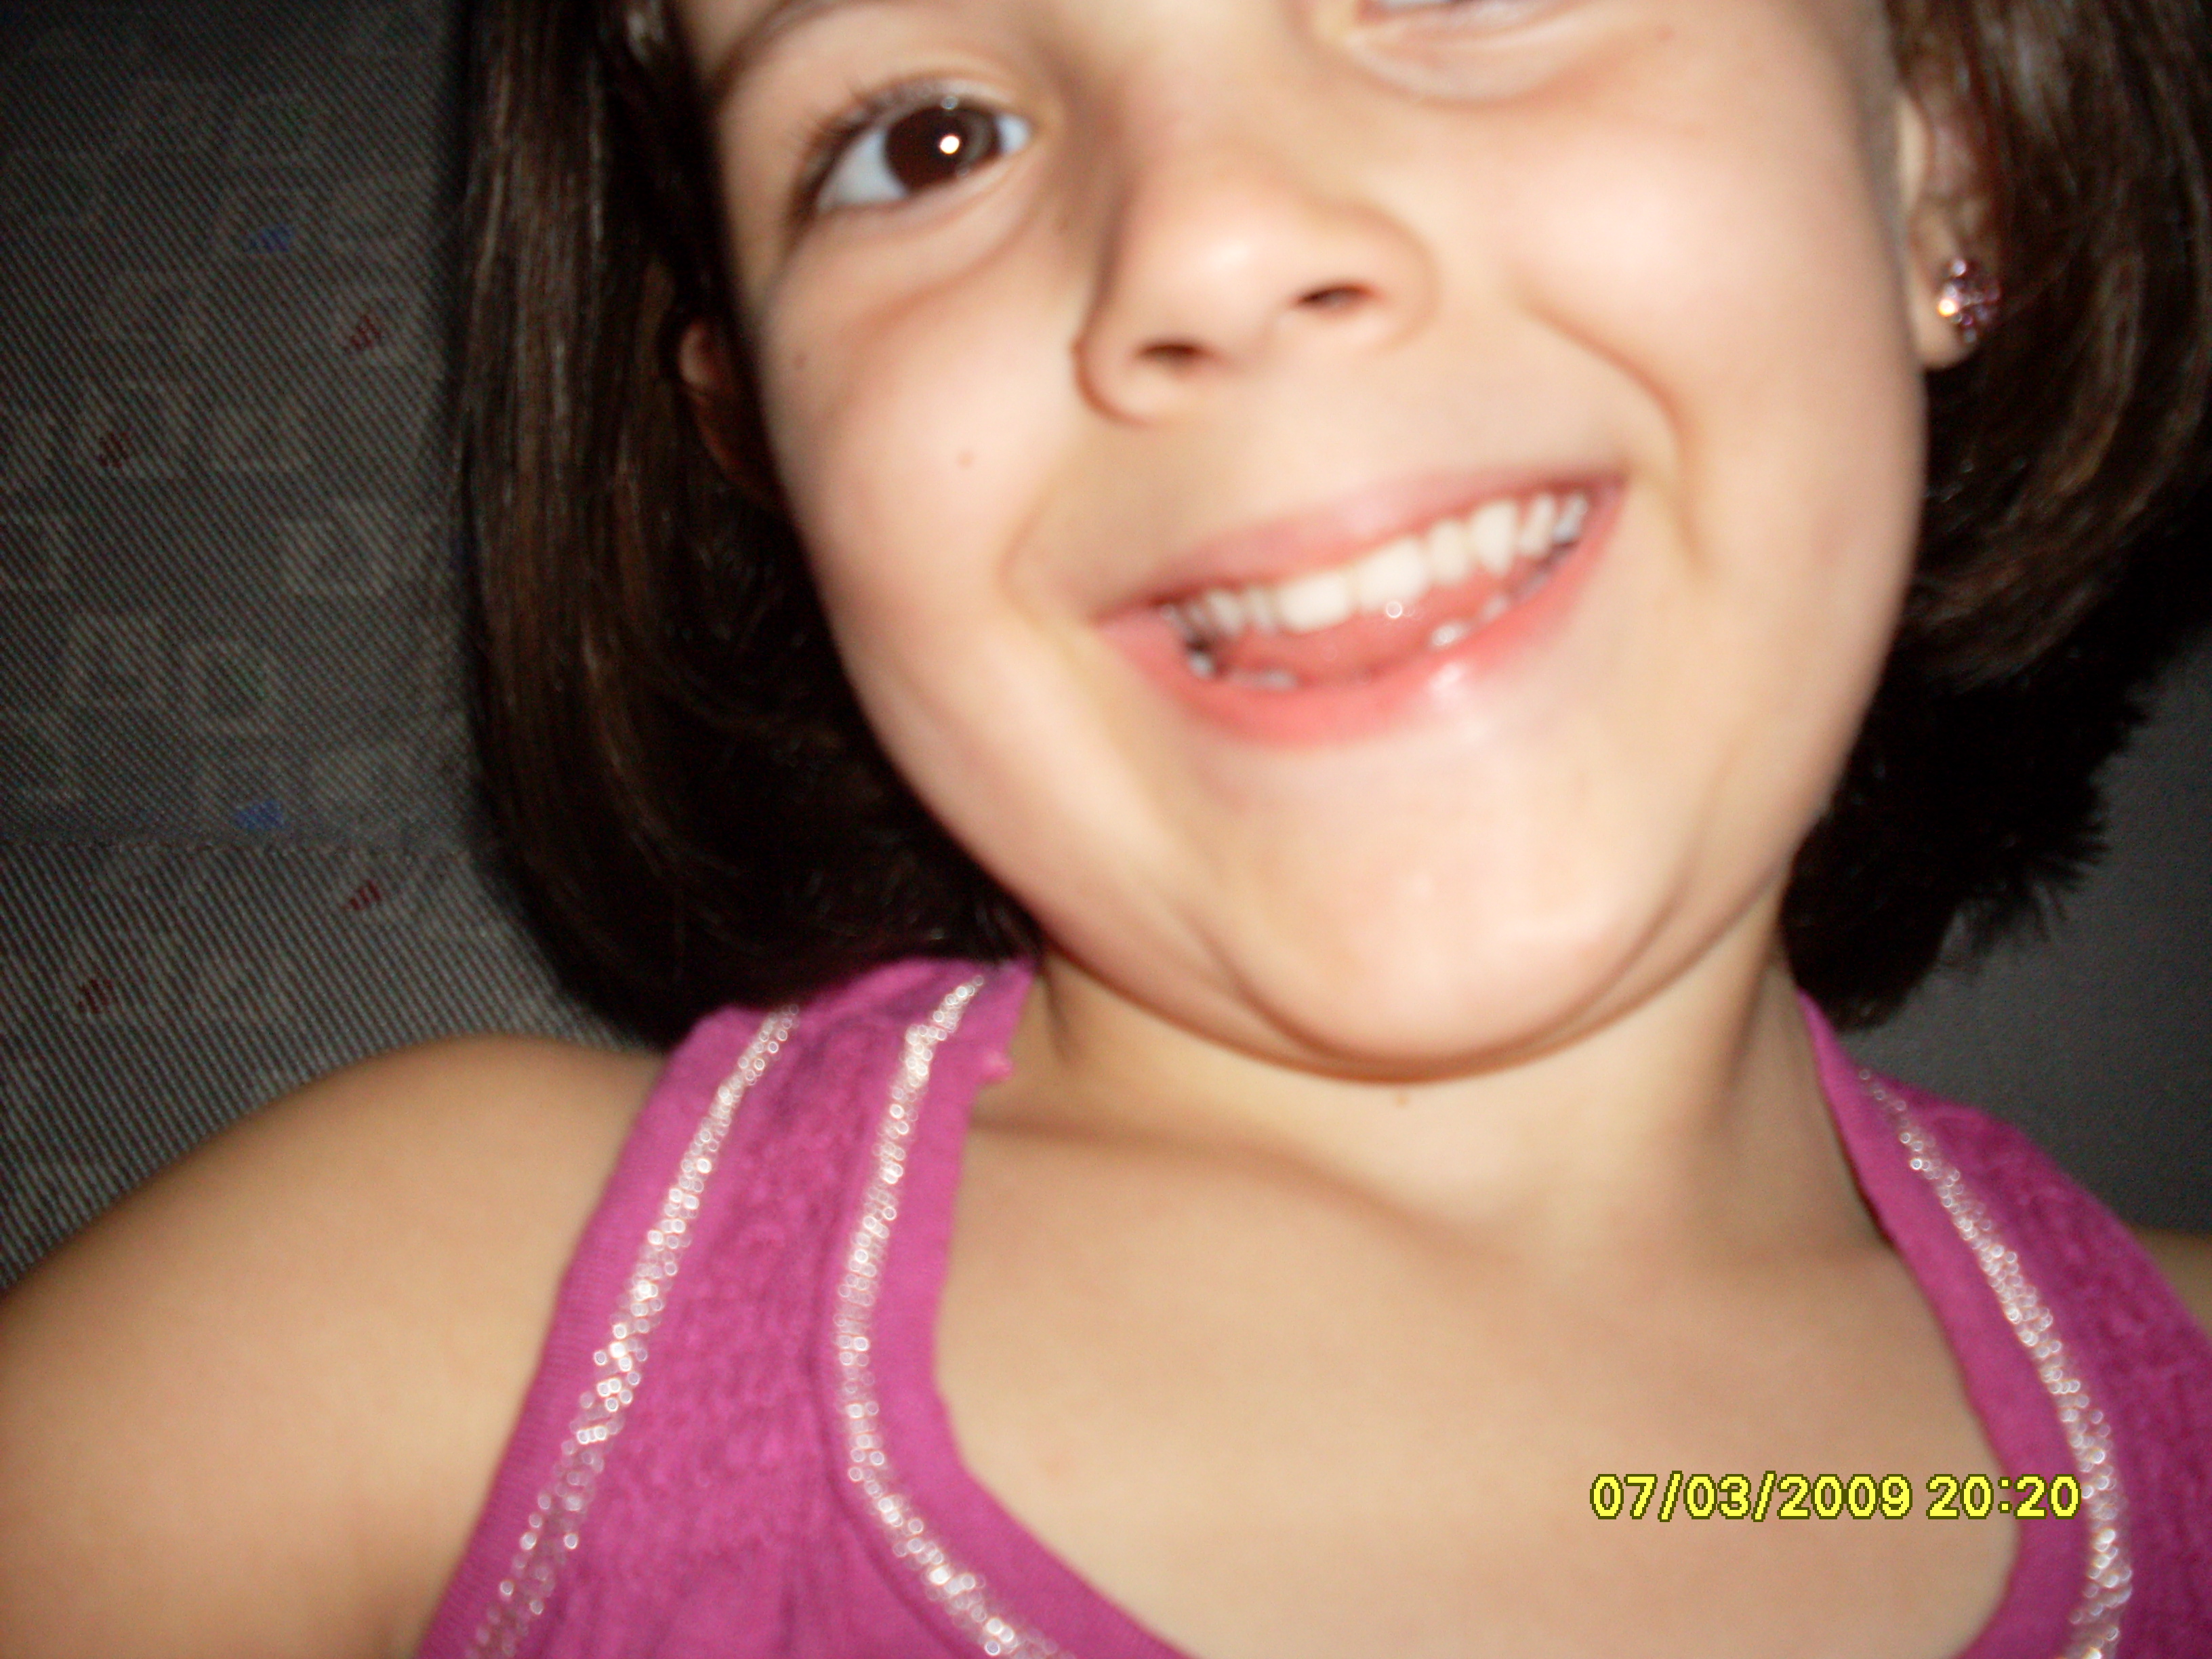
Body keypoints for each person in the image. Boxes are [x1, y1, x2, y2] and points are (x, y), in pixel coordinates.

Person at [4, 0, 2211, 1652]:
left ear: (1946, 151)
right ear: (760, 435)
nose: (1215, 241)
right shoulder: (402, 1343)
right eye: (924, 138)